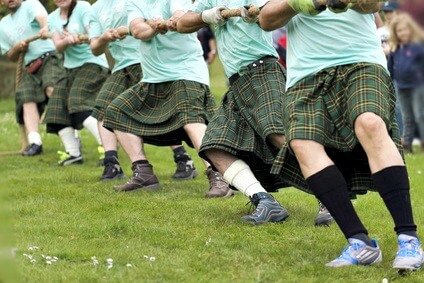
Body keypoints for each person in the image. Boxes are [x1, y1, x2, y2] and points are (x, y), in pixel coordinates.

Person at [259, 0, 423, 270]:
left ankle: (409, 238)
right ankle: (359, 242)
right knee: (301, 142)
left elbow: (372, 5)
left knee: (370, 123)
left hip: (361, 60)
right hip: (305, 72)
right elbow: (267, 19)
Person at [177, 0, 333, 226]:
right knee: (213, 147)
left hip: (262, 71)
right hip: (237, 83)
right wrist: (207, 16)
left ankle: (329, 195)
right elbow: (183, 23)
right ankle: (264, 202)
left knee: (280, 136)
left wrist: (257, 15)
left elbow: (269, 13)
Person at [102, 0, 232, 197]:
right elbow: (137, 30)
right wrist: (154, 28)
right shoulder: (134, 3)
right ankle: (143, 172)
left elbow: (180, 16)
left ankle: (219, 176)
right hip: (153, 77)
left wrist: (174, 20)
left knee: (191, 119)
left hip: (185, 72)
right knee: (117, 112)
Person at [89, 0, 198, 182]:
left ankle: (183, 158)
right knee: (104, 108)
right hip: (120, 66)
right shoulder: (96, 9)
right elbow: (94, 48)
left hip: (143, 60)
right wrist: (104, 38)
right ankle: (112, 164)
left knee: (158, 111)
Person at [44, 0, 110, 166]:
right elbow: (58, 46)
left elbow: (94, 35)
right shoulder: (52, 18)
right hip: (70, 68)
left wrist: (81, 38)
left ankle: (107, 149)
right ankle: (73, 154)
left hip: (93, 63)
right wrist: (67, 41)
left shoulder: (83, 8)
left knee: (78, 102)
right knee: (55, 107)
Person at [0, 0, 63, 157]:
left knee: (52, 89)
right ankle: (35, 143)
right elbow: (11, 56)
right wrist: (17, 48)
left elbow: (42, 17)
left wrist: (44, 28)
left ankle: (71, 136)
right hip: (29, 66)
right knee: (26, 98)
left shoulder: (31, 4)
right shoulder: (3, 25)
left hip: (49, 57)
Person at [388, 12, 424, 153]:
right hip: (401, 86)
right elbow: (390, 67)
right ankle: (406, 144)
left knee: (419, 114)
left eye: (405, 29)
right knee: (406, 116)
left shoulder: (417, 47)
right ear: (395, 32)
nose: (403, 33)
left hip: (417, 86)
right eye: (399, 30)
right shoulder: (395, 49)